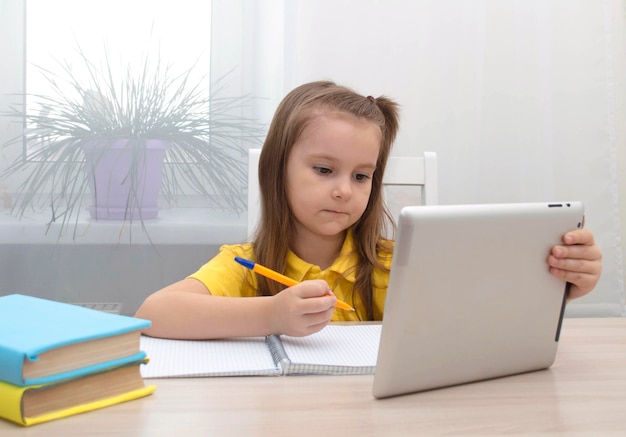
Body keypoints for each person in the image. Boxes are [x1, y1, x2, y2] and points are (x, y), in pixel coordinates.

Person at [135, 81, 603, 340]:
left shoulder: (397, 262)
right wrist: (271, 316)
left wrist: (566, 284)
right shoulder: (246, 263)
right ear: (276, 170)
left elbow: (487, 303)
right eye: (324, 169)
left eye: (361, 176)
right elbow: (154, 313)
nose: (344, 190)